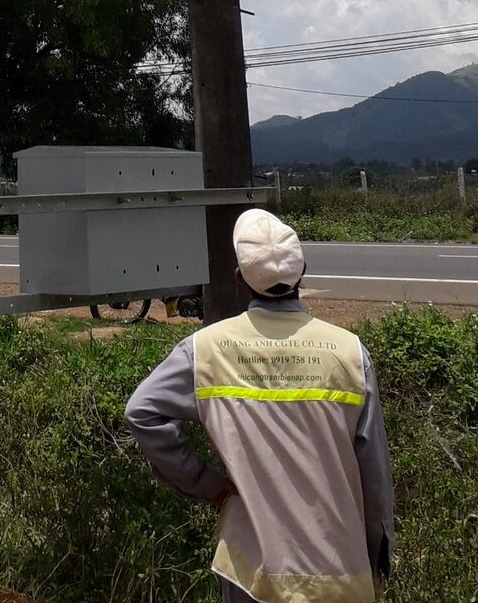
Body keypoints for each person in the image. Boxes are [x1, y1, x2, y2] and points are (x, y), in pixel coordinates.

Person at [125, 209, 394, 603]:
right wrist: (377, 557)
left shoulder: (206, 351)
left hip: (251, 576)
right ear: (302, 275)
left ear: (239, 279)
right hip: (338, 574)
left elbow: (142, 412)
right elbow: (374, 480)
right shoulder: (349, 354)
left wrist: (209, 485)